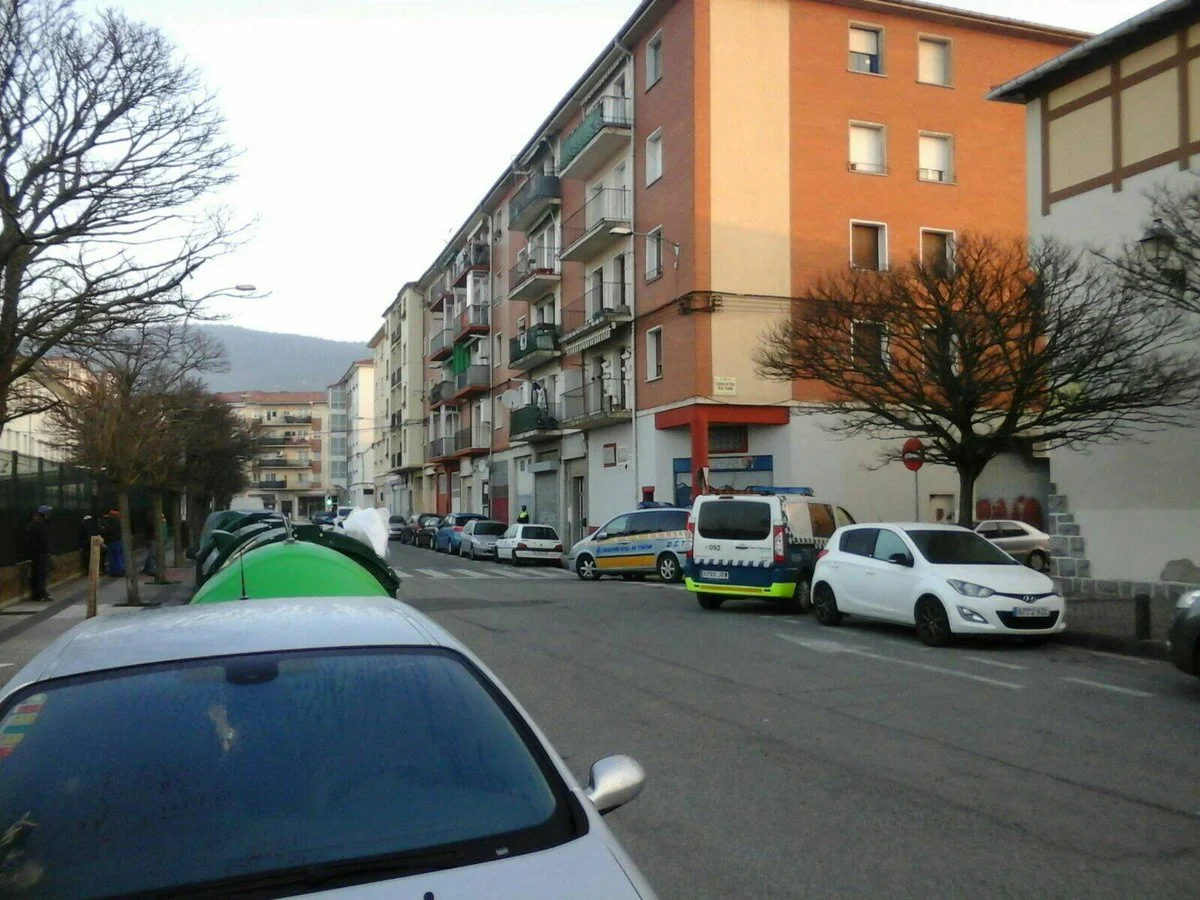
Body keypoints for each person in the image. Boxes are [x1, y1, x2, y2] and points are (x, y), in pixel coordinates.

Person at [26, 505, 52, 602]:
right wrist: (47, 550)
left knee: (35, 574)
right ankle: (41, 594)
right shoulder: (41, 524)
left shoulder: (32, 524)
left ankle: (36, 594)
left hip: (34, 553)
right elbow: (43, 540)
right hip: (41, 553)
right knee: (42, 574)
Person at [103, 509, 125, 577]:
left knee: (112, 557)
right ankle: (120, 570)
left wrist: (105, 540)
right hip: (118, 540)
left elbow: (106, 531)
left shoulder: (108, 521)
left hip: (111, 540)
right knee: (119, 556)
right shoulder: (119, 521)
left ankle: (113, 571)